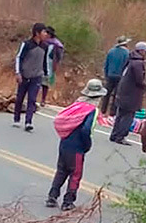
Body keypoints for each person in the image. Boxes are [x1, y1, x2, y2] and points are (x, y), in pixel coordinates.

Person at [46, 79, 107, 211]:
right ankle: (68, 201)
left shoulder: (77, 104)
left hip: (64, 142)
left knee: (61, 170)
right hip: (77, 146)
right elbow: (86, 129)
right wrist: (87, 144)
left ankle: (52, 196)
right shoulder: (92, 110)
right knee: (75, 174)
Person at [110, 41, 146, 144]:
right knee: (128, 116)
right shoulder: (138, 63)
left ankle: (114, 134)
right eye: (145, 52)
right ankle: (121, 136)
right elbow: (139, 80)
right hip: (131, 94)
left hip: (123, 91)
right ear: (141, 51)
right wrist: (145, 86)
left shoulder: (130, 60)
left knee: (120, 114)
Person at [12, 23, 50, 132]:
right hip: (24, 75)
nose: (46, 34)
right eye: (44, 32)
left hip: (37, 76)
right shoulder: (26, 44)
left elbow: (45, 61)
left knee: (32, 99)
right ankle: (17, 118)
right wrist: (18, 72)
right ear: (37, 33)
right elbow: (19, 58)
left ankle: (28, 122)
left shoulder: (45, 47)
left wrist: (46, 74)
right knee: (20, 98)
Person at [100, 36, 130, 116]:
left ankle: (102, 111)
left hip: (110, 76)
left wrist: (106, 75)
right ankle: (112, 114)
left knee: (106, 94)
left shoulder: (111, 51)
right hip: (120, 77)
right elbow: (127, 67)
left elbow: (106, 65)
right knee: (116, 96)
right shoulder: (127, 53)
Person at [42, 26, 64, 103]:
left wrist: (56, 63)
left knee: (45, 83)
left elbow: (59, 56)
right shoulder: (42, 42)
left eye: (47, 33)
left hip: (49, 64)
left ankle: (43, 99)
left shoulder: (56, 44)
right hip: (40, 63)